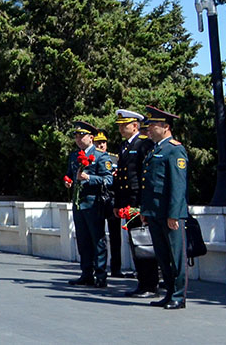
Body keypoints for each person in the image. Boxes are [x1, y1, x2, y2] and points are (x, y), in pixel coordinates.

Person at [141, 105, 188, 310]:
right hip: (154, 212)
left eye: (153, 125)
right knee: (162, 256)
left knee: (176, 256)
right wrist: (145, 210)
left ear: (166, 127)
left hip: (169, 213)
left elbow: (178, 186)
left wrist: (174, 214)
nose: (149, 129)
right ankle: (169, 293)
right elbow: (149, 184)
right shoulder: (156, 149)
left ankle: (179, 295)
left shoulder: (175, 149)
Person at [112, 108, 159, 298]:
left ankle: (150, 284)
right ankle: (143, 282)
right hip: (127, 203)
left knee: (144, 244)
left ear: (135, 125)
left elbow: (143, 178)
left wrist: (141, 206)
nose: (122, 129)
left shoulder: (143, 145)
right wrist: (118, 203)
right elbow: (121, 179)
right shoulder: (124, 146)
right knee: (135, 243)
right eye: (120, 126)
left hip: (137, 202)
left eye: (125, 125)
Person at [65, 121, 113, 288]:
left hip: (94, 204)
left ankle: (100, 275)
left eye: (82, 136)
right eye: (76, 136)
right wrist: (69, 181)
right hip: (79, 204)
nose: (78, 139)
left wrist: (89, 178)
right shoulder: (74, 156)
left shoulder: (100, 156)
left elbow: (108, 179)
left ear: (91, 138)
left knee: (97, 240)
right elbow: (70, 174)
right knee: (83, 240)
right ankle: (86, 274)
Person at [93, 131, 122, 277]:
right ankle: (99, 268)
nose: (101, 145)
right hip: (97, 201)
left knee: (115, 236)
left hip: (111, 200)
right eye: (98, 143)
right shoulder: (92, 158)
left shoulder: (114, 158)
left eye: (103, 142)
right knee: (98, 236)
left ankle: (116, 268)